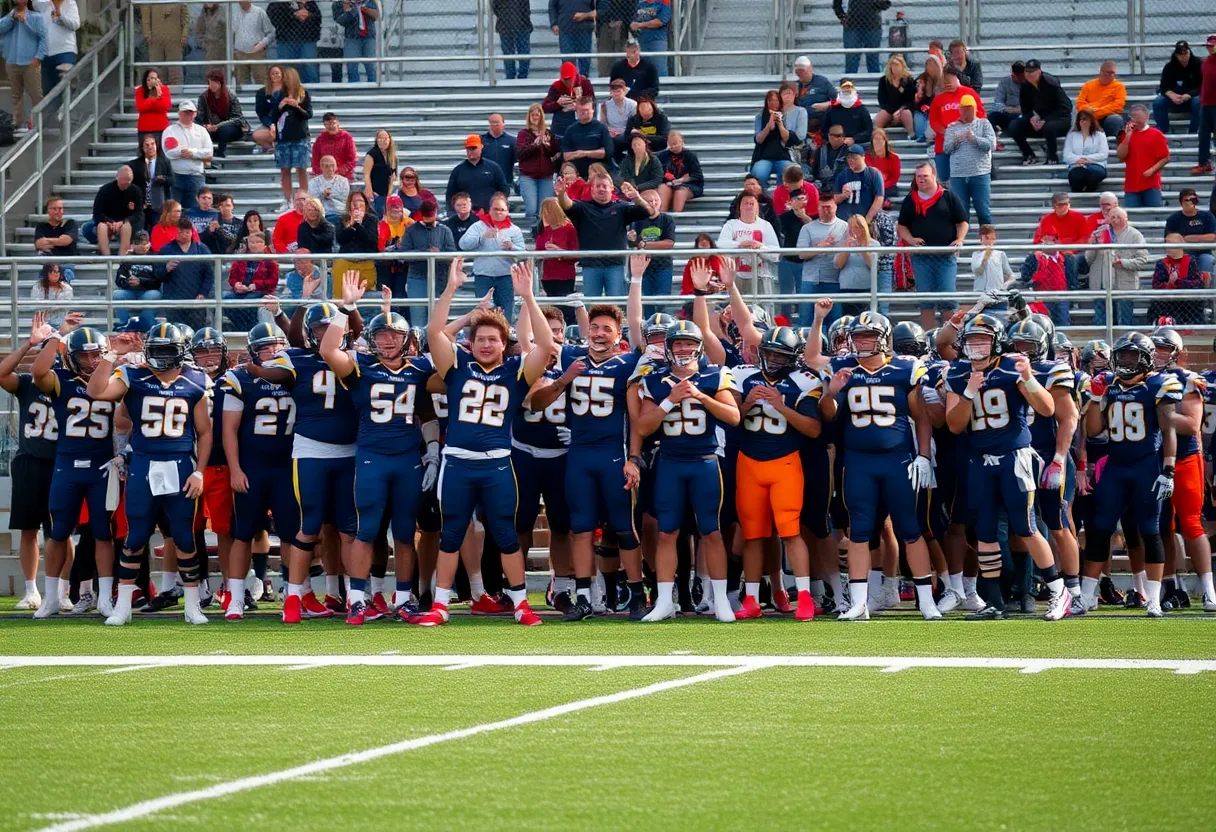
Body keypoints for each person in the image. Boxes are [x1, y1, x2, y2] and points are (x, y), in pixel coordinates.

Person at [415, 259, 554, 627]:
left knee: (506, 533)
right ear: (470, 343)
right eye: (481, 339)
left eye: (493, 339)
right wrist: (450, 291)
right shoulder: (457, 367)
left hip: (496, 463)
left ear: (503, 342)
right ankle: (441, 604)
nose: (487, 344)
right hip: (458, 463)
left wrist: (527, 297)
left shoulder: (515, 371)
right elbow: (434, 334)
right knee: (452, 533)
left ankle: (521, 603)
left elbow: (546, 345)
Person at [315, 279, 437, 623]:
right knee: (366, 530)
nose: (387, 340)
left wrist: (431, 451)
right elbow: (327, 351)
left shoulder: (418, 369)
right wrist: (344, 308)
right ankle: (357, 598)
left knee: (403, 531)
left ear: (406, 339)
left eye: (394, 335)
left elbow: (449, 369)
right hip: (372, 457)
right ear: (371, 339)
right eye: (381, 334)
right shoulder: (361, 367)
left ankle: (403, 599)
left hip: (407, 459)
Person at [944, 314, 1074, 621]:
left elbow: (1047, 408)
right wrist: (968, 393)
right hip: (980, 460)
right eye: (972, 340)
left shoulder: (1010, 366)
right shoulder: (959, 372)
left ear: (997, 341)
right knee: (986, 532)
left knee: (1026, 526)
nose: (976, 346)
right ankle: (994, 601)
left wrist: (1028, 377)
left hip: (1015, 457)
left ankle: (1059, 591)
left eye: (983, 339)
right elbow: (953, 424)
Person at [818, 312, 944, 620]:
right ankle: (859, 602)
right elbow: (827, 414)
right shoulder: (842, 368)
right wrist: (832, 392)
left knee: (910, 529)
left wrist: (924, 456)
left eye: (869, 336)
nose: (862, 342)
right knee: (860, 530)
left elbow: (922, 416)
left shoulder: (906, 368)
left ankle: (926, 599)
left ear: (884, 339)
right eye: (858, 336)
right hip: (858, 461)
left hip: (898, 459)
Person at [85, 323, 212, 625]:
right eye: (156, 349)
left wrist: (200, 472)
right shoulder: (133, 375)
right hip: (143, 462)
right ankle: (123, 607)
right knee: (136, 535)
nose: (161, 356)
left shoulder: (195, 381)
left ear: (180, 352)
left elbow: (205, 433)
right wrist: (111, 355)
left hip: (181, 464)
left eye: (167, 350)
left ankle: (192, 606)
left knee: (183, 536)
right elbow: (96, 392)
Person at [250, 303, 361, 624]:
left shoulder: (354, 356)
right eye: (321, 330)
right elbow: (276, 372)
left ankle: (356, 598)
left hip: (350, 452)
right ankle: (294, 598)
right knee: (309, 526)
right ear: (311, 334)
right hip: (312, 450)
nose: (328, 334)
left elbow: (358, 327)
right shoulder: (297, 359)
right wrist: (259, 371)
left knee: (349, 530)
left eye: (332, 328)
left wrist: (350, 307)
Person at [633, 318, 740, 622]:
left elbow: (734, 416)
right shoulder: (655, 379)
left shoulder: (714, 374)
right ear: (668, 348)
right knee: (667, 533)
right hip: (670, 462)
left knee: (713, 532)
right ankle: (665, 601)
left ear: (699, 346)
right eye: (678, 343)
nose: (684, 348)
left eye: (689, 343)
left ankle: (720, 600)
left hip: (706, 461)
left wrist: (700, 395)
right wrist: (670, 401)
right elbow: (642, 426)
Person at [1077, 333, 1182, 617]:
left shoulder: (1157, 385)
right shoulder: (1108, 385)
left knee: (1150, 530)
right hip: (1116, 466)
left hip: (1146, 466)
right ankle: (1086, 596)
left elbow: (1169, 427)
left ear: (1145, 359)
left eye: (1132, 356)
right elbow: (1094, 430)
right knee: (1100, 529)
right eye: (1122, 355)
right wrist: (1098, 399)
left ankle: (1154, 599)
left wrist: (1169, 469)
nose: (1125, 361)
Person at [24, 320, 116, 618]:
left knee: (103, 533)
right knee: (59, 531)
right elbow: (38, 372)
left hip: (102, 467)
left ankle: (104, 598)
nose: (92, 360)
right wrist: (56, 338)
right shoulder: (60, 378)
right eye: (85, 355)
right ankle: (52, 597)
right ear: (70, 356)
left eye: (97, 354)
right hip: (67, 465)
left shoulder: (113, 376)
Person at [217, 321, 297, 620]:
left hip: (287, 468)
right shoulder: (239, 379)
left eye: (278, 345)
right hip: (252, 466)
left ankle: (292, 593)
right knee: (243, 533)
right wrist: (235, 469)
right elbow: (229, 430)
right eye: (266, 346)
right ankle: (236, 597)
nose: (273, 351)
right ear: (253, 350)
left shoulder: (294, 376)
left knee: (291, 535)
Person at [0, 311, 76, 612]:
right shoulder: (28, 383)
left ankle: (63, 591)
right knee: (29, 529)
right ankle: (32, 590)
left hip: (61, 463)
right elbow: (2, 373)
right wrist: (29, 345)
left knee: (61, 531)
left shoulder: (69, 383)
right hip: (31, 461)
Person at [557, 172, 655, 297]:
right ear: (591, 189)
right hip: (591, 265)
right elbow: (567, 205)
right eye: (598, 186)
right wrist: (561, 193)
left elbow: (650, 211)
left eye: (604, 186)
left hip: (615, 265)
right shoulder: (583, 207)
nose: (601, 189)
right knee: (591, 306)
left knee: (616, 306)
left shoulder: (622, 207)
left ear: (612, 189)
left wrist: (636, 197)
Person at [897, 162, 968, 328]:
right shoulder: (910, 199)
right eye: (918, 176)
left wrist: (960, 239)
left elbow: (962, 222)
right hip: (921, 256)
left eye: (925, 176)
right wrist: (911, 239)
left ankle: (948, 338)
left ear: (934, 176)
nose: (921, 180)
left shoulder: (948, 197)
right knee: (926, 299)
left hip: (945, 255)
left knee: (948, 298)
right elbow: (902, 227)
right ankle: (928, 337)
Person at [459, 192, 525, 312]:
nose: (499, 212)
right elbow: (463, 244)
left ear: (507, 211)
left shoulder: (514, 230)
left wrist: (512, 247)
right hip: (483, 275)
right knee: (483, 313)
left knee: (506, 313)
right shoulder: (478, 226)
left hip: (506, 276)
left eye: (502, 209)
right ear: (489, 210)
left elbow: (523, 254)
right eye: (495, 209)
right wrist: (481, 237)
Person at [397, 198, 455, 325]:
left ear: (436, 213)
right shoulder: (411, 230)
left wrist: (438, 255)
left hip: (439, 279)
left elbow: (452, 256)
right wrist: (425, 253)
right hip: (417, 279)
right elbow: (403, 255)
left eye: (431, 217)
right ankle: (419, 343)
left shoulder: (445, 231)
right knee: (418, 319)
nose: (429, 221)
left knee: (438, 319)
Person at [1085, 207, 1147, 326]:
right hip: (1100, 284)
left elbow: (1142, 260)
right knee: (1101, 324)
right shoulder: (1099, 233)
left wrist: (1122, 262)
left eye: (1118, 216)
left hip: (1124, 285)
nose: (1115, 219)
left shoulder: (1135, 235)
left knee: (1124, 323)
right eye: (1112, 217)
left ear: (1126, 219)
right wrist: (1093, 244)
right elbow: (1089, 259)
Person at [941, 93, 994, 225]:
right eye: (964, 108)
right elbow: (946, 149)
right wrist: (956, 140)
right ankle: (960, 242)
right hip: (958, 175)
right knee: (960, 213)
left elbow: (991, 145)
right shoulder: (952, 127)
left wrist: (974, 138)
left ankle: (987, 242)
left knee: (983, 211)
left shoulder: (984, 124)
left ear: (975, 109)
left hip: (980, 174)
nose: (967, 111)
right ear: (959, 109)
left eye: (970, 108)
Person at [796, 192, 848, 326]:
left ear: (835, 207)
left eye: (829, 207)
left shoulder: (845, 227)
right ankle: (806, 346)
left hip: (835, 280)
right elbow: (801, 254)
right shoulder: (807, 228)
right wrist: (819, 247)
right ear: (818, 208)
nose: (826, 210)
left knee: (836, 322)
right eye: (823, 207)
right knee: (806, 320)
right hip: (811, 281)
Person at [1010, 58, 1072, 165]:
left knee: (1049, 127)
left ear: (1039, 71)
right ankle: (1028, 154)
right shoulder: (1025, 85)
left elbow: (1066, 107)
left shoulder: (1051, 82)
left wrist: (1046, 120)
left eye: (1032, 72)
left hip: (1060, 119)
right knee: (1014, 125)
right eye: (1027, 72)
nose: (1029, 75)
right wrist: (1031, 118)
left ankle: (1052, 156)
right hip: (1041, 119)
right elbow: (1025, 108)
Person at [929, 66, 985, 182]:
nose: (948, 83)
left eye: (950, 79)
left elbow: (981, 114)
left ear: (957, 78)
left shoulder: (969, 94)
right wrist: (944, 131)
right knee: (944, 177)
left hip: (966, 142)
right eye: (945, 80)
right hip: (944, 143)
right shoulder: (938, 99)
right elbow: (933, 120)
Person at [156, 218, 213, 330]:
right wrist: (166, 268)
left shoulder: (202, 249)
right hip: (173, 301)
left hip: (196, 300)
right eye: (181, 232)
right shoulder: (166, 250)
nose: (184, 235)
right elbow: (157, 274)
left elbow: (209, 275)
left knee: (196, 333)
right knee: (175, 333)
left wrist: (203, 292)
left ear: (192, 232)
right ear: (176, 232)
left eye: (187, 232)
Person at [717, 191, 779, 294]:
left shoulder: (766, 226)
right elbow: (721, 246)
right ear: (739, 207)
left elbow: (775, 254)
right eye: (746, 203)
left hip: (761, 276)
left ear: (757, 207)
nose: (749, 206)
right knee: (736, 309)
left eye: (752, 203)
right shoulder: (730, 225)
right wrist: (739, 244)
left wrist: (760, 247)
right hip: (736, 276)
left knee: (763, 309)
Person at [270, 67, 313, 212]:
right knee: (285, 170)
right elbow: (272, 116)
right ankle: (288, 200)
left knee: (301, 169)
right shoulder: (278, 95)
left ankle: (304, 198)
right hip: (283, 139)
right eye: (285, 78)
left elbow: (308, 114)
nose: (286, 80)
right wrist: (280, 106)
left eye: (288, 77)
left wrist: (297, 106)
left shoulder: (303, 93)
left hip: (300, 137)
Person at [628, 189, 675, 312]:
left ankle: (662, 324)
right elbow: (634, 244)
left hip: (663, 265)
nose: (654, 203)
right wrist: (631, 238)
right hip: (643, 266)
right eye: (649, 201)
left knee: (663, 300)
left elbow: (669, 243)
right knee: (646, 300)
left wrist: (646, 244)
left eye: (656, 200)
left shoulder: (666, 219)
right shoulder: (636, 221)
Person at [161, 101, 213, 211]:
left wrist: (191, 152)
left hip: (196, 176)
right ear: (179, 113)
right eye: (185, 112)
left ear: (195, 113)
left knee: (194, 212)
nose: (188, 115)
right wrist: (182, 152)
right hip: (175, 176)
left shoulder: (202, 131)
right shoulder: (170, 130)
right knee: (173, 212)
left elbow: (209, 152)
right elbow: (168, 152)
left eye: (190, 112)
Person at [517, 103, 561, 229]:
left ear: (541, 116)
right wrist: (534, 145)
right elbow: (521, 154)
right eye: (533, 114)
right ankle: (531, 232)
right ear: (529, 116)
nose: (535, 117)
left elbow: (555, 152)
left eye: (538, 114)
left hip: (545, 176)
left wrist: (548, 145)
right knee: (531, 209)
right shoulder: (524, 134)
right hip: (528, 176)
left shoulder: (548, 133)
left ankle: (542, 233)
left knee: (545, 208)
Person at [1117, 103, 1170, 208]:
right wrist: (1127, 137)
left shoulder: (1156, 134)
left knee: (1154, 213)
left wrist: (1152, 170)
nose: (1136, 120)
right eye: (1134, 117)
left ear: (1147, 117)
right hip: (1131, 185)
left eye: (1139, 117)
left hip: (1151, 184)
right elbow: (1120, 156)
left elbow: (1165, 157)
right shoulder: (1126, 134)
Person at [445, 134, 510, 214]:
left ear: (481, 147)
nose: (470, 151)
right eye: (468, 149)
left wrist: (495, 206)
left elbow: (504, 190)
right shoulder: (458, 170)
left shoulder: (493, 168)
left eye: (473, 148)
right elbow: (450, 195)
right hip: (465, 215)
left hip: (489, 213)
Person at [226, 231, 279, 329]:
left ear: (265, 244)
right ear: (248, 244)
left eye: (259, 242)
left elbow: (273, 282)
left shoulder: (270, 261)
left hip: (260, 291)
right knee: (226, 299)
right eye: (252, 242)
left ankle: (252, 328)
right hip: (241, 291)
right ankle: (241, 327)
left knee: (249, 301)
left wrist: (256, 285)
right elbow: (232, 278)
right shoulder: (241, 259)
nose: (255, 245)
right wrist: (236, 285)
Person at [1150, 235, 1206, 324]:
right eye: (1166, 244)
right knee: (1156, 302)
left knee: (1195, 298)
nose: (1167, 247)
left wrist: (1179, 282)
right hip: (1168, 298)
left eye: (1170, 244)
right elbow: (1156, 284)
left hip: (1187, 298)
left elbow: (1198, 282)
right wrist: (1169, 283)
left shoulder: (1191, 261)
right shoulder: (1161, 263)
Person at [88, 166, 143, 256]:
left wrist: (122, 222)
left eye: (128, 180)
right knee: (101, 226)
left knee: (126, 226)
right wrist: (110, 222)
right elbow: (97, 212)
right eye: (123, 179)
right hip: (108, 222)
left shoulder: (136, 191)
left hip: (125, 223)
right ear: (117, 177)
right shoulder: (105, 190)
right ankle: (106, 256)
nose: (125, 183)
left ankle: (122, 257)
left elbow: (138, 214)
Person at [1020, 234, 1074, 325]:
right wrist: (1036, 274)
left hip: (1061, 297)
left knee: (1063, 325)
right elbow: (1025, 277)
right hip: (1042, 298)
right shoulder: (1034, 258)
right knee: (1044, 325)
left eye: (1052, 239)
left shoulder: (1065, 258)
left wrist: (1071, 297)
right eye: (1045, 239)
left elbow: (1071, 279)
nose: (1047, 242)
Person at [113, 231, 162, 330]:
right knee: (117, 294)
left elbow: (157, 281)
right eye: (139, 243)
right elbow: (119, 279)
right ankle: (124, 324)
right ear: (133, 245)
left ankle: (147, 321)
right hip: (130, 291)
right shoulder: (127, 259)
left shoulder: (154, 258)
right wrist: (129, 282)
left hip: (147, 292)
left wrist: (141, 282)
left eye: (145, 243)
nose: (143, 246)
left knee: (155, 294)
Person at [196, 69, 249, 158]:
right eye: (210, 83)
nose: (211, 85)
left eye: (214, 83)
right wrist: (206, 126)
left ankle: (221, 152)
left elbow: (237, 118)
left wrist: (219, 126)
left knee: (224, 130)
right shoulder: (203, 97)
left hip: (230, 129)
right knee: (197, 128)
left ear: (220, 83)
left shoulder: (231, 97)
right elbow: (200, 116)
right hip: (210, 128)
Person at [1153, 39, 1202, 134]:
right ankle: (1163, 131)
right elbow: (1163, 86)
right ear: (1176, 55)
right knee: (1158, 102)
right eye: (1180, 54)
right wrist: (1171, 95)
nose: (1184, 56)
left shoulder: (1199, 64)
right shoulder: (1169, 67)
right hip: (1173, 98)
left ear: (1189, 51)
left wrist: (1188, 95)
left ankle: (1193, 132)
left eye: (1186, 52)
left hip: (1192, 97)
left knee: (1198, 102)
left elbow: (1203, 85)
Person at [832, 216, 880, 313]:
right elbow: (838, 265)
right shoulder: (842, 244)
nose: (854, 230)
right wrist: (847, 249)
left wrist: (863, 249)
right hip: (847, 287)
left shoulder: (874, 244)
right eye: (851, 228)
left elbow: (873, 265)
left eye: (857, 227)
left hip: (866, 288)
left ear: (863, 228)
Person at [334, 190, 380, 291]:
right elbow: (340, 240)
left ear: (366, 204)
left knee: (366, 301)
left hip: (365, 263)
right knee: (341, 301)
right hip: (345, 263)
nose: (357, 204)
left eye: (360, 201)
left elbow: (371, 241)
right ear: (349, 204)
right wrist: (351, 225)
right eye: (353, 201)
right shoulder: (343, 219)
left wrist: (358, 225)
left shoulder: (372, 219)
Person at [268, 1, 322, 84]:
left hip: (307, 40)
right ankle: (289, 92)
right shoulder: (277, 3)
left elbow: (318, 18)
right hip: (285, 41)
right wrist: (294, 15)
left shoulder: (309, 2)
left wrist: (308, 14)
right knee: (287, 69)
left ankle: (311, 93)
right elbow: (275, 18)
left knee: (310, 68)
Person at [534, 197, 579, 296]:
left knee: (565, 306)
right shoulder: (543, 230)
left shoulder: (569, 229)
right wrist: (542, 254)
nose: (545, 215)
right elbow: (538, 251)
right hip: (547, 275)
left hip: (564, 275)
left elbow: (576, 255)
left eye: (548, 211)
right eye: (544, 212)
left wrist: (559, 251)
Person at [1165, 188, 1216, 275]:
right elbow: (1170, 239)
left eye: (1193, 200)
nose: (1190, 203)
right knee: (1186, 261)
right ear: (1181, 202)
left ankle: (1205, 286)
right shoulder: (1173, 219)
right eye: (1186, 200)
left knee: (1208, 260)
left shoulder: (1207, 216)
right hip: (1183, 253)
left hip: (1204, 252)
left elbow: (1212, 237)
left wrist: (1188, 238)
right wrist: (1201, 238)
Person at [562, 97, 615, 179]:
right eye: (580, 110)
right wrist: (578, 154)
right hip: (576, 164)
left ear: (593, 110)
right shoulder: (571, 129)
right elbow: (566, 155)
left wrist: (585, 153)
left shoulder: (601, 128)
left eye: (586, 110)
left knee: (594, 169)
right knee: (568, 170)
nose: (583, 113)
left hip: (598, 164)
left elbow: (607, 152)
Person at [833, 0, 889, 75]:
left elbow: (886, 4)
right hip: (851, 27)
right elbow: (837, 4)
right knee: (851, 59)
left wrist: (873, 3)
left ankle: (875, 83)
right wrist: (842, 17)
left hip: (873, 26)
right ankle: (849, 83)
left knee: (873, 58)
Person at [140, 1, 189, 86]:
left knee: (175, 70)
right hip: (155, 39)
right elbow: (145, 15)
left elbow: (185, 17)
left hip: (174, 39)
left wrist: (184, 35)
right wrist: (147, 32)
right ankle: (157, 94)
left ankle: (177, 95)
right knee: (157, 70)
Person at [750, 90, 793, 185]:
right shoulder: (760, 117)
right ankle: (762, 196)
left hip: (782, 156)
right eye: (770, 100)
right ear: (766, 102)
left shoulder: (786, 117)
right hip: (763, 156)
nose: (773, 103)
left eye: (776, 100)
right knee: (759, 174)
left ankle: (782, 196)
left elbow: (787, 139)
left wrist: (780, 124)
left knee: (790, 173)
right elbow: (758, 140)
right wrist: (769, 125)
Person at [542, 60, 593, 141]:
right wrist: (558, 104)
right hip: (562, 124)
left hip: (582, 119)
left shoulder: (584, 83)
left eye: (569, 79)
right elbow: (544, 107)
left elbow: (592, 102)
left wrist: (579, 104)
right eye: (565, 80)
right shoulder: (557, 86)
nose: (567, 82)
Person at [833, 145, 884, 223]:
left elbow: (879, 198)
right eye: (849, 157)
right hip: (845, 220)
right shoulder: (842, 175)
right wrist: (843, 195)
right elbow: (835, 199)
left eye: (854, 157)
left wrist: (867, 219)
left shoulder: (873, 174)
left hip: (865, 218)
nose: (851, 160)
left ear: (863, 157)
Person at [36, 0, 77, 96]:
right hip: (46, 53)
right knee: (47, 91)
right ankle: (52, 110)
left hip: (65, 51)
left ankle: (67, 107)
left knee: (64, 85)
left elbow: (75, 25)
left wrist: (61, 16)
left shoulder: (70, 3)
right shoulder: (43, 4)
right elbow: (35, 4)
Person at [1075, 60, 1127, 136]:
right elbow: (1080, 103)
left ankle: (1110, 143)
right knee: (1081, 118)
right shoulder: (1088, 85)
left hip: (1107, 116)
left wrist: (1096, 111)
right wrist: (1088, 110)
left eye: (1113, 73)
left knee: (1115, 119)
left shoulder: (1119, 86)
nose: (1111, 75)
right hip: (1090, 116)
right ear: (1101, 72)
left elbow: (1118, 106)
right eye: (1108, 73)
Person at [1063, 110, 1110, 192]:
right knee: (1076, 175)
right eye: (1080, 119)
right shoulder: (1072, 135)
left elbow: (1103, 154)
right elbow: (1067, 155)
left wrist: (1085, 159)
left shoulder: (1100, 135)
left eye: (1085, 119)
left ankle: (1089, 191)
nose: (1082, 121)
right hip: (1076, 164)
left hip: (1096, 164)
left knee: (1093, 174)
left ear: (1091, 121)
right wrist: (1077, 160)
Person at [33, 196, 78, 281]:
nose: (58, 212)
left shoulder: (70, 224)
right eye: (54, 209)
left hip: (66, 263)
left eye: (60, 208)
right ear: (48, 211)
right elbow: (38, 244)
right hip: (48, 264)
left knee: (65, 276)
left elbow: (66, 241)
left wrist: (47, 240)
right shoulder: (42, 226)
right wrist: (58, 241)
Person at [656, 131, 702, 212]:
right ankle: (662, 215)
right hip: (668, 184)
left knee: (680, 193)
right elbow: (657, 174)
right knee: (663, 188)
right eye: (670, 144)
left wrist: (682, 180)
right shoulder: (662, 156)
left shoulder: (690, 156)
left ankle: (676, 216)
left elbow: (697, 176)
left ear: (682, 142)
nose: (673, 147)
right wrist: (669, 182)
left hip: (687, 185)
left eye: (675, 143)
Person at [375, 193, 412, 293]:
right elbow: (380, 249)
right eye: (392, 207)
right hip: (385, 267)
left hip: (405, 267)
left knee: (401, 294)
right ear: (387, 209)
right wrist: (395, 246)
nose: (395, 209)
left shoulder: (410, 224)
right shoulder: (381, 225)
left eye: (398, 207)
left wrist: (405, 244)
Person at [232, 0, 275, 86]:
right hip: (240, 53)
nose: (240, 2)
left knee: (262, 81)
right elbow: (231, 33)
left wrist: (262, 44)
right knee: (241, 82)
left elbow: (271, 32)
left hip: (257, 53)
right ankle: (243, 99)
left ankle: (263, 98)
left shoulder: (259, 12)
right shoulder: (234, 15)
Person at [333, 0, 378, 82]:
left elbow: (376, 16)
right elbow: (341, 21)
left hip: (369, 37)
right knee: (352, 67)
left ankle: (373, 90)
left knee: (371, 67)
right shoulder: (339, 3)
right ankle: (354, 90)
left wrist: (366, 9)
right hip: (352, 38)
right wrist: (350, 10)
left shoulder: (370, 1)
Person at [820, 78, 872, 147]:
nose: (847, 90)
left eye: (849, 88)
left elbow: (868, 131)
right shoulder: (832, 109)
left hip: (857, 144)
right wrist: (837, 139)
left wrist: (854, 139)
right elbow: (824, 131)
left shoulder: (861, 109)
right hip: (836, 144)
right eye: (844, 88)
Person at [792, 55, 836, 137]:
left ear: (810, 69)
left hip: (819, 119)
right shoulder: (796, 85)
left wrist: (826, 104)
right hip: (802, 120)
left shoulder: (822, 82)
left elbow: (838, 100)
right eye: (797, 72)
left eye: (802, 71)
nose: (800, 74)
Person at [549, 0, 595, 78]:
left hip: (585, 29)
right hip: (565, 29)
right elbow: (552, 6)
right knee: (568, 60)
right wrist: (554, 23)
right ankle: (569, 83)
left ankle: (583, 82)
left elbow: (597, 8)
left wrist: (586, 16)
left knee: (585, 59)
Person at [310, 111, 357, 181]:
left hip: (343, 176)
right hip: (324, 176)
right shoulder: (320, 139)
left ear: (338, 123)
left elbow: (352, 160)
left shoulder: (346, 137)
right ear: (324, 125)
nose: (331, 126)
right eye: (328, 124)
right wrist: (324, 172)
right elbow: (315, 162)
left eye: (333, 123)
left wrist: (337, 172)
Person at [492, 0, 533, 80]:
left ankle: (511, 76)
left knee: (509, 53)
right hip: (521, 23)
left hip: (506, 24)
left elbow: (495, 7)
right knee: (523, 52)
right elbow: (526, 8)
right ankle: (522, 76)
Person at [876, 54, 916, 135]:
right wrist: (893, 112)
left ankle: (911, 135)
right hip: (889, 110)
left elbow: (911, 100)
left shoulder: (909, 80)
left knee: (906, 113)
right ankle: (875, 136)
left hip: (904, 109)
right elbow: (882, 100)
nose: (894, 67)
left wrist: (900, 110)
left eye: (897, 64)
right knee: (882, 114)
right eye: (892, 64)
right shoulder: (884, 81)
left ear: (902, 66)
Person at [362, 129, 398, 217]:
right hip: (375, 192)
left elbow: (393, 175)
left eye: (385, 138)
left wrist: (390, 193)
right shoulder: (372, 154)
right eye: (380, 138)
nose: (383, 141)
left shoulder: (392, 156)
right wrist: (369, 190)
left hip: (388, 192)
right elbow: (366, 174)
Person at [971, 224, 1014, 297]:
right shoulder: (975, 254)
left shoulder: (1000, 254)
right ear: (981, 239)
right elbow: (978, 272)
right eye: (987, 238)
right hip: (980, 293)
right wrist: (986, 254)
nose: (990, 241)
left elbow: (1011, 275)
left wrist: (1004, 286)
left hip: (997, 294)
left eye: (992, 238)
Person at [631, 0, 670, 76]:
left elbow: (660, 21)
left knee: (659, 71)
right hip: (641, 41)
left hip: (657, 41)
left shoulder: (665, 2)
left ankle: (663, 87)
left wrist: (640, 25)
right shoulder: (640, 3)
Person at [481, 113, 518, 193]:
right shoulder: (481, 140)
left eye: (497, 122)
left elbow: (517, 163)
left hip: (506, 183)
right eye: (492, 122)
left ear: (503, 123)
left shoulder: (512, 141)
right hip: (485, 183)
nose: (495, 124)